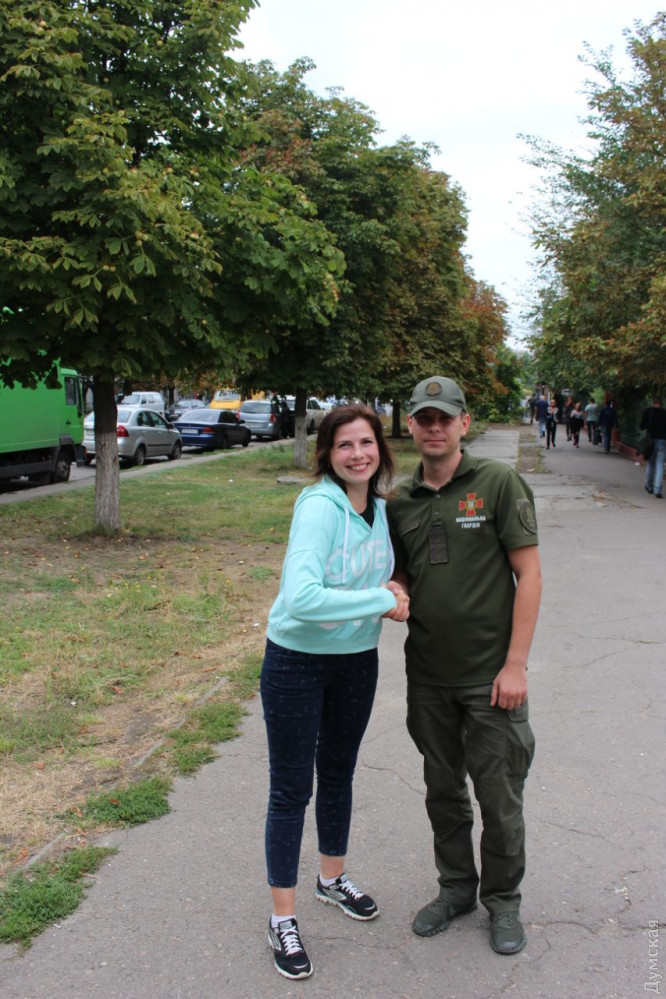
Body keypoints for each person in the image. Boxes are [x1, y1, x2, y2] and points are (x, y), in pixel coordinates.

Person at [387, 376, 542, 957]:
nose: (433, 427)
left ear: (464, 423)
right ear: (412, 425)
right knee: (443, 793)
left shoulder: (498, 483)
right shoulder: (400, 500)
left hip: (490, 678)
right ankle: (455, 890)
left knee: (500, 800)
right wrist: (395, 590)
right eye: (424, 418)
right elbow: (401, 572)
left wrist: (516, 666)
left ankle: (503, 901)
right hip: (427, 676)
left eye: (443, 418)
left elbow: (529, 574)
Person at [260, 403, 409, 980]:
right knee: (291, 790)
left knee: (340, 773)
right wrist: (380, 600)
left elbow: (381, 576)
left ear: (380, 449)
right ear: (328, 453)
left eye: (366, 443)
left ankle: (331, 879)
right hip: (297, 662)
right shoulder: (319, 506)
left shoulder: (377, 508)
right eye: (344, 445)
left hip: (355, 662)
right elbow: (301, 597)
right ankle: (282, 918)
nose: (357, 454)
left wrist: (393, 589)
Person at [640, 397, 666, 498]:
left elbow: (641, 426)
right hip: (663, 441)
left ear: (653, 402)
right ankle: (657, 490)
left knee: (650, 464)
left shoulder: (648, 412)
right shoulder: (665, 413)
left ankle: (649, 486)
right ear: (661, 403)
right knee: (660, 465)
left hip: (650, 441)